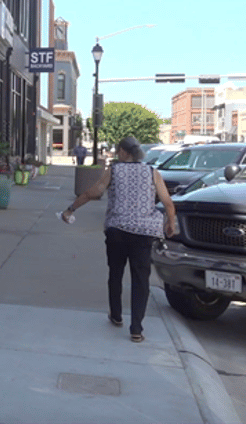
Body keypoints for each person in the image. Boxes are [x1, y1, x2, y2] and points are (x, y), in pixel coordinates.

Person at [59, 136, 177, 342]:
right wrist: (170, 224)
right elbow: (168, 202)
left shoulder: (114, 171)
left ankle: (116, 315)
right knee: (141, 279)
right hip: (143, 233)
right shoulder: (152, 172)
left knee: (116, 272)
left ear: (123, 152)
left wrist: (70, 209)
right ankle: (136, 329)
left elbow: (93, 193)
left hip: (118, 231)